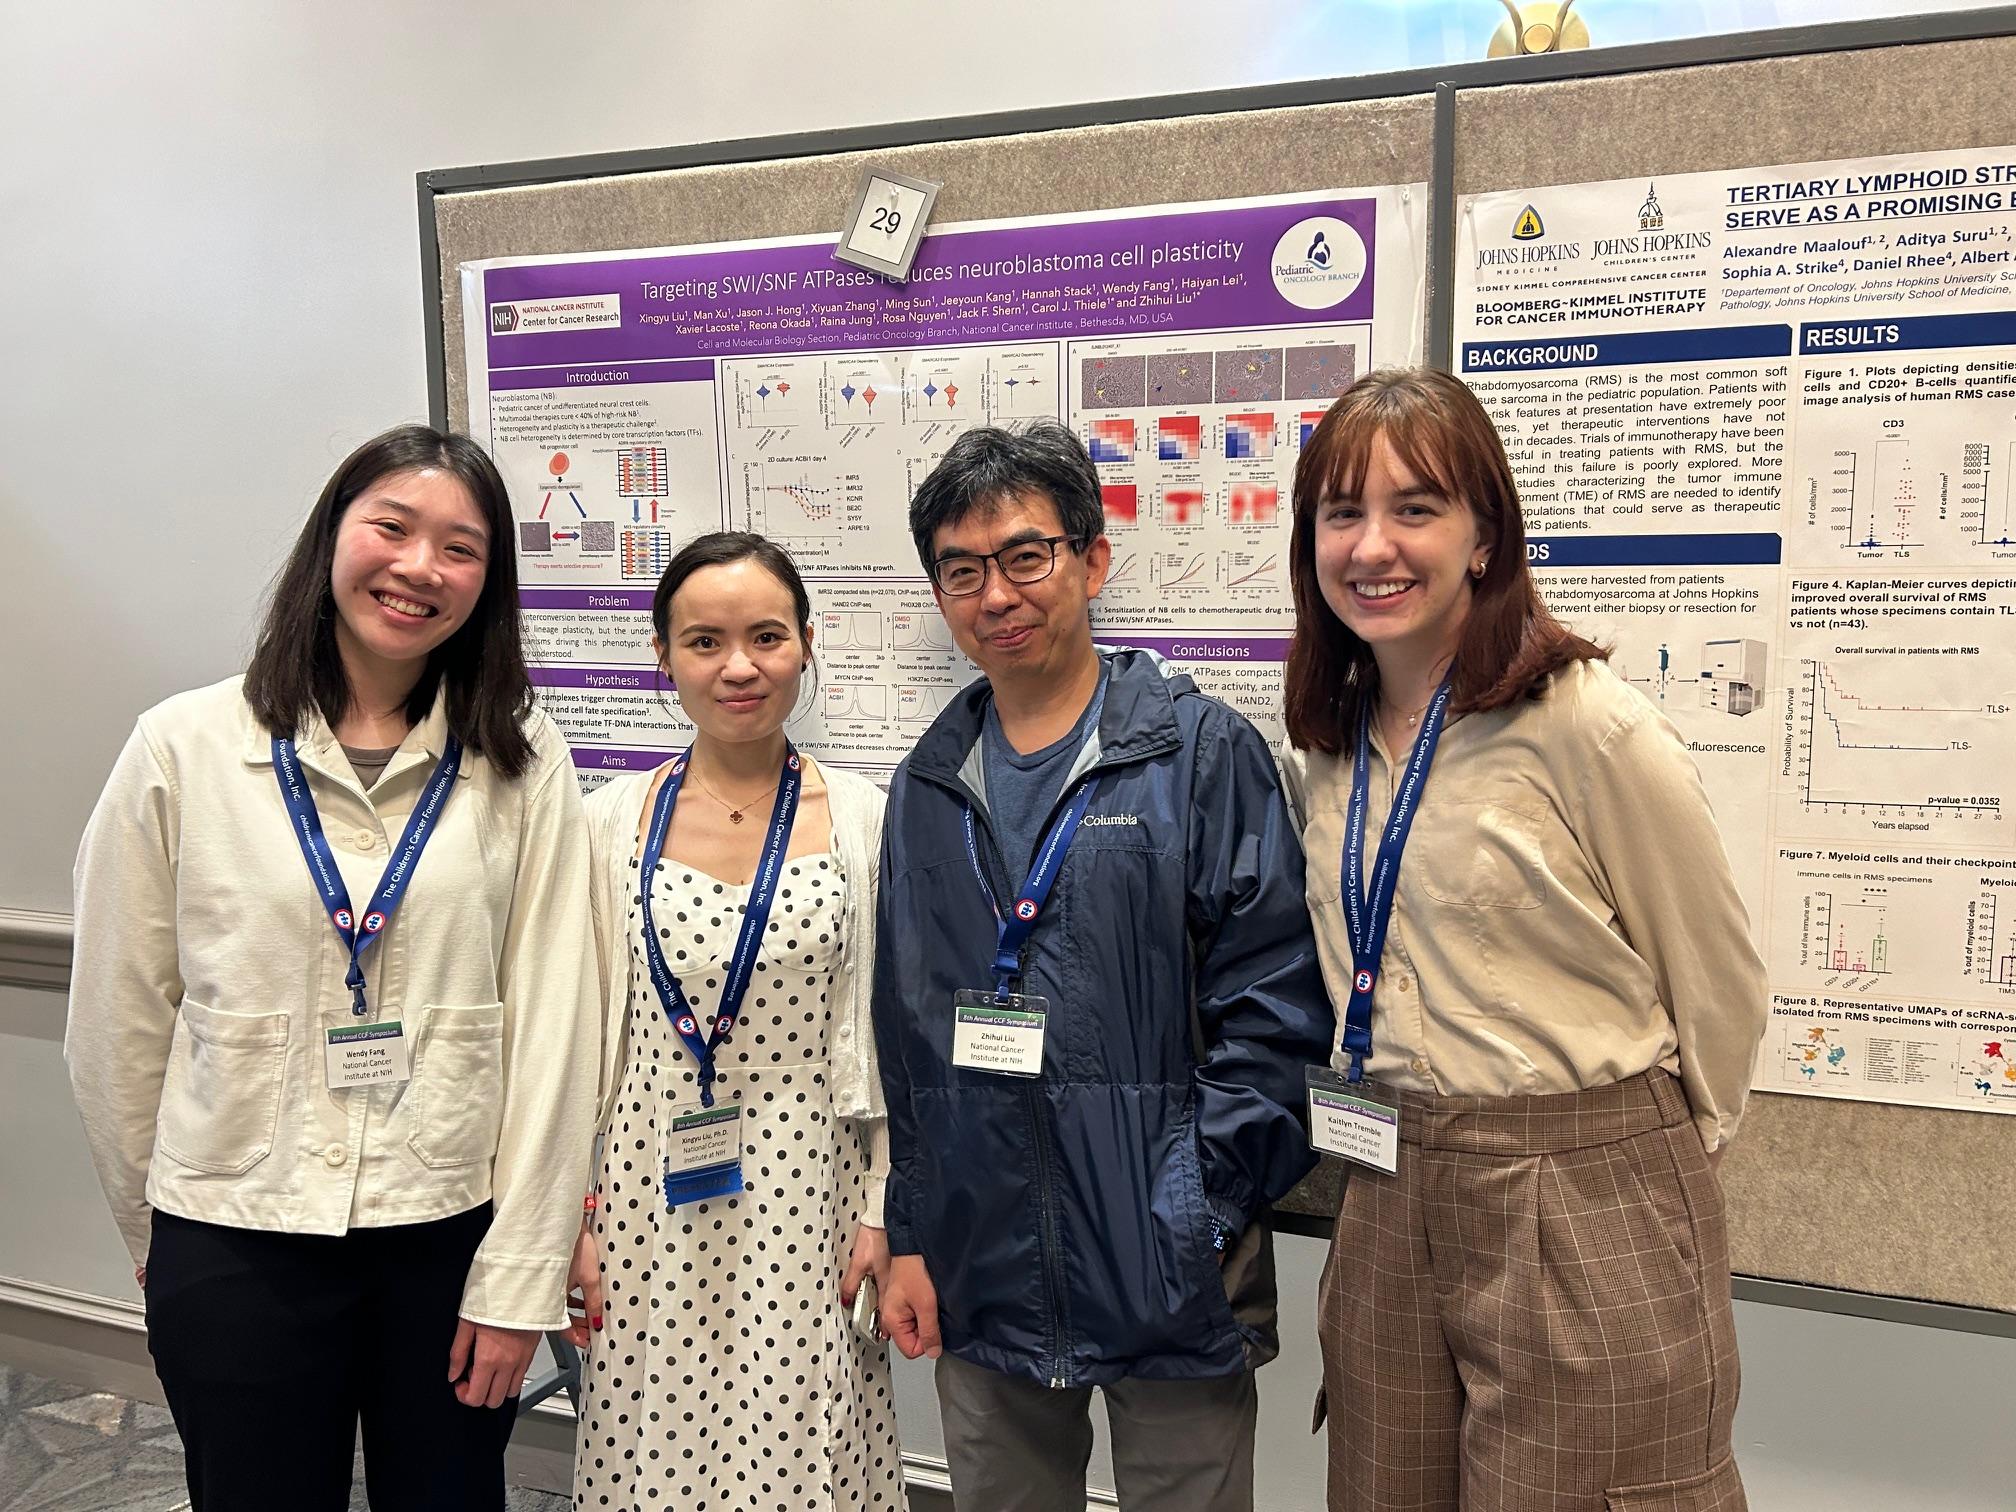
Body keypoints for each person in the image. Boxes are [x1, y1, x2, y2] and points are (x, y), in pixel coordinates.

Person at [66, 424, 600, 1511]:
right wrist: (157, 1231)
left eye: (460, 547)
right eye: (392, 528)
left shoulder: (522, 759)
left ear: (487, 583)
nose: (419, 568)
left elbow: (558, 1026)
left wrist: (522, 1272)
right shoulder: (184, 747)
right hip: (236, 1232)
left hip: (449, 1237)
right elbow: (117, 1020)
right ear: (332, 540)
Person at [1278, 368, 1766, 1512]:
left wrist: (1623, 1164)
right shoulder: (1331, 744)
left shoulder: (1586, 724)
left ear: (1484, 536)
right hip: (1388, 1176)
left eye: (1416, 508)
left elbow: (1719, 987)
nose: (1373, 546)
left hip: (1582, 1184)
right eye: (1342, 513)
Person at [873, 421, 1330, 1512]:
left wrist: (1195, 1208)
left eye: (1026, 556)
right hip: (985, 1275)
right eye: (962, 570)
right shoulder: (928, 784)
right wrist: (916, 1235)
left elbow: (1275, 1014)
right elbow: (907, 1037)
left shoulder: (1202, 754)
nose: (997, 594)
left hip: (1170, 1273)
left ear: (1092, 557)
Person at [566, 531, 903, 1511]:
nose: (739, 666)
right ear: (664, 657)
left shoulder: (866, 819)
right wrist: (568, 1219)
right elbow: (576, 1041)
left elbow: (891, 1041)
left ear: (806, 642)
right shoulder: (606, 822)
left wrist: (883, 1206)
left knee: (807, 1441)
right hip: (642, 1193)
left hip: (812, 1189)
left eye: (765, 636)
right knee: (648, 1445)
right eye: (705, 641)